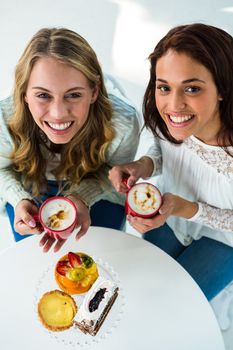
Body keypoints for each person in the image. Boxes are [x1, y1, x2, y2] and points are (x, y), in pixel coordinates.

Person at [109, 23, 233, 301]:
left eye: (191, 89)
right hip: (169, 216)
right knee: (145, 287)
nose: (173, 105)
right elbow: (165, 149)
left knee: (179, 301)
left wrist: (185, 208)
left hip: (224, 238)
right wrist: (143, 165)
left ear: (223, 88)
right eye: (164, 87)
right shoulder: (174, 121)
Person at [0, 27, 140, 252]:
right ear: (24, 93)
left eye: (74, 94)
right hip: (29, 180)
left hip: (96, 183)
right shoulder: (3, 116)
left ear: (94, 92)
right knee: (33, 259)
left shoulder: (123, 120)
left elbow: (114, 173)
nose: (58, 113)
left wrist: (82, 196)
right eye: (43, 95)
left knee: (105, 256)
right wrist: (19, 199)